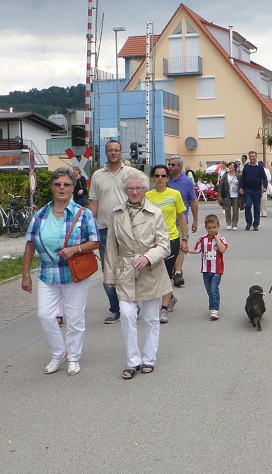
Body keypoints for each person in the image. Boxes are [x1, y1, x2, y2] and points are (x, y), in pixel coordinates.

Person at [21, 168, 99, 377]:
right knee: (45, 315)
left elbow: (95, 242)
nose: (62, 188)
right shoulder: (40, 214)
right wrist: (26, 275)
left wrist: (75, 249)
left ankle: (74, 357)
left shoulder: (83, 214)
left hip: (74, 274)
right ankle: (59, 352)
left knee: (74, 318)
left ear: (73, 188)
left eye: (66, 184)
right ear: (52, 187)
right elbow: (29, 245)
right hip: (47, 273)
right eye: (58, 184)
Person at [104, 173, 172, 378]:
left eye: (138, 188)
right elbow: (110, 248)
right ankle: (133, 360)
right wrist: (109, 278)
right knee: (126, 314)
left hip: (151, 271)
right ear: (125, 191)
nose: (134, 192)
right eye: (130, 188)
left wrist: (149, 257)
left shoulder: (155, 213)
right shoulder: (116, 214)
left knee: (151, 318)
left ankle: (149, 358)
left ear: (144, 190)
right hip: (125, 270)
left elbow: (164, 245)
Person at [88, 140, 138, 324]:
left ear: (121, 152)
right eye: (110, 150)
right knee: (108, 271)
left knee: (129, 268)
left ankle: (131, 305)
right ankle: (115, 309)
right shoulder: (97, 175)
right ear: (106, 153)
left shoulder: (130, 173)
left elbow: (138, 198)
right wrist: (87, 223)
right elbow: (93, 202)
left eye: (116, 149)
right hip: (104, 229)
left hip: (127, 228)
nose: (114, 152)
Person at [146, 164, 187, 323]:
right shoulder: (147, 196)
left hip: (171, 238)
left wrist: (184, 238)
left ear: (168, 178)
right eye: (157, 176)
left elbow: (181, 217)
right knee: (154, 273)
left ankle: (163, 309)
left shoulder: (175, 194)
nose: (160, 178)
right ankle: (170, 297)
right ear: (152, 178)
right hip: (152, 240)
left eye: (163, 176)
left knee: (167, 273)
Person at [184, 213, 228, 320]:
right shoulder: (203, 239)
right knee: (209, 290)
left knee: (214, 289)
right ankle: (213, 302)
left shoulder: (221, 239)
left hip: (217, 270)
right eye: (209, 228)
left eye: (214, 227)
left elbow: (222, 249)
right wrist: (187, 250)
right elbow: (197, 249)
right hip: (206, 269)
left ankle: (215, 309)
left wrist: (216, 238)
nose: (212, 230)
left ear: (218, 227)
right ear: (206, 228)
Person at [166, 155, 197, 288]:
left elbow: (193, 201)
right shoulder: (164, 179)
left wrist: (196, 220)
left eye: (173, 165)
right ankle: (170, 269)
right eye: (169, 164)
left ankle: (178, 273)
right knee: (167, 247)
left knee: (180, 246)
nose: (170, 167)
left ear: (180, 167)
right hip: (165, 220)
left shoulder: (187, 182)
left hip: (181, 219)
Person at [240, 150, 267, 230]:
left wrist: (265, 186)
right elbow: (243, 178)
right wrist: (240, 187)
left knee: (257, 208)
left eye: (253, 156)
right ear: (249, 157)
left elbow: (264, 178)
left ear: (256, 157)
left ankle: (256, 224)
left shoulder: (260, 167)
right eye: (251, 156)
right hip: (247, 190)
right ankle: (249, 222)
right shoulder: (246, 166)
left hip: (257, 190)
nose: (252, 158)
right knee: (248, 205)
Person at [218, 162, 242, 230]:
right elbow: (221, 185)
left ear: (235, 167)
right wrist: (220, 195)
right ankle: (228, 224)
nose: (230, 166)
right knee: (227, 210)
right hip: (227, 195)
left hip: (236, 195)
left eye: (232, 165)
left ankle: (234, 224)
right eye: (230, 165)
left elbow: (242, 184)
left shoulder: (239, 175)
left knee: (235, 211)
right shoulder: (225, 175)